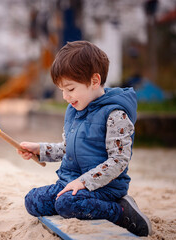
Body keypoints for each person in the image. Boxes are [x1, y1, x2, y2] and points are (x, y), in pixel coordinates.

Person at [17, 41, 152, 236]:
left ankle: (121, 211)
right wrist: (40, 149)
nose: (65, 96)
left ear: (95, 81)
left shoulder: (115, 115)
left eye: (70, 89)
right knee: (32, 201)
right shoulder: (74, 110)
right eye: (62, 90)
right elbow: (67, 148)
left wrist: (83, 182)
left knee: (66, 204)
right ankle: (79, 203)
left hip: (104, 188)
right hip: (70, 183)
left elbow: (118, 161)